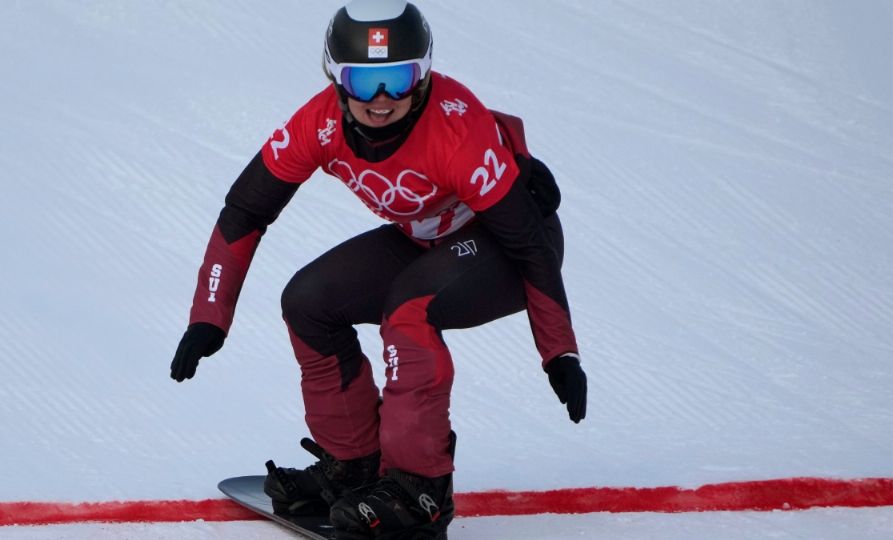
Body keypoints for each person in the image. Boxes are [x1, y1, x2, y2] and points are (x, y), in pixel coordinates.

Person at [169, 0, 587, 537]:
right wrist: (210, 315)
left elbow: (530, 245)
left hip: (508, 248)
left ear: (424, 74)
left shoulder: (457, 134)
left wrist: (560, 352)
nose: (383, 100)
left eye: (398, 79)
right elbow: (246, 210)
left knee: (409, 309)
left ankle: (420, 490)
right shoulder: (316, 125)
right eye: (364, 83)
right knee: (308, 302)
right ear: (336, 80)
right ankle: (356, 467)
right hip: (427, 238)